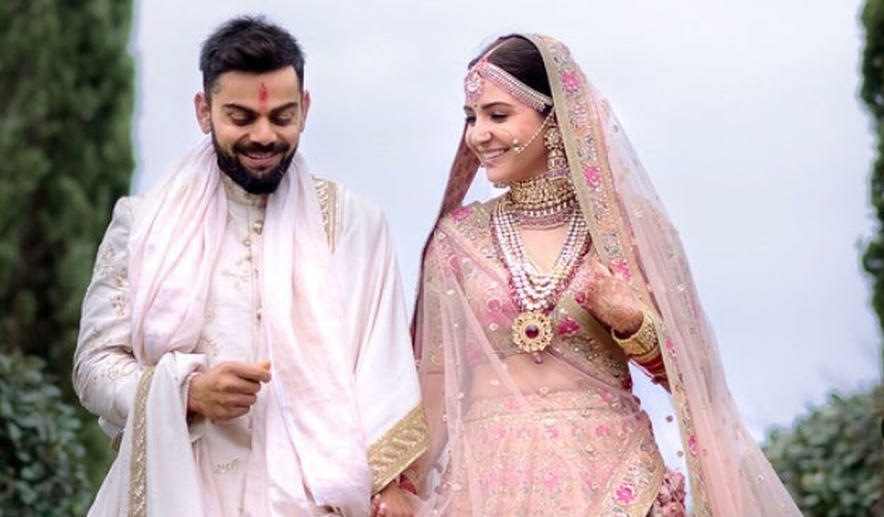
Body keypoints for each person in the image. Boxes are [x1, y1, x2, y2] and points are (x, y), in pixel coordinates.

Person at [406, 33, 801, 516]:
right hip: (489, 484)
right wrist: (398, 487)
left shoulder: (622, 231)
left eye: (498, 115)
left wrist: (633, 324)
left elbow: (694, 379)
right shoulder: (457, 240)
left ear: (555, 120)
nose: (478, 135)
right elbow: (435, 382)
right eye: (472, 118)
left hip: (614, 479)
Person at [73, 15, 426, 516]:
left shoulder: (354, 225)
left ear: (305, 110)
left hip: (314, 499)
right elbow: (94, 367)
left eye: (282, 117)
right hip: (182, 493)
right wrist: (188, 393)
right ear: (204, 111)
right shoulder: (143, 224)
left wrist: (387, 485)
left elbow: (382, 368)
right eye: (241, 118)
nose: (263, 136)